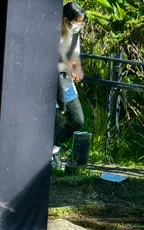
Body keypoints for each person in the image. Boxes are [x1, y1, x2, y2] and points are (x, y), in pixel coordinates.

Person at [57, 3, 86, 147]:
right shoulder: (54, 36)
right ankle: (51, 155)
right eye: (76, 21)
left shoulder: (75, 36)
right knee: (55, 122)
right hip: (55, 85)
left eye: (81, 22)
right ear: (65, 20)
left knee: (78, 120)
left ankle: (55, 147)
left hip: (68, 85)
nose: (79, 25)